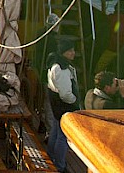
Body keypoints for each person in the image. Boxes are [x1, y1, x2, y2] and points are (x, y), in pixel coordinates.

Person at [46, 37, 80, 172]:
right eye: (70, 51)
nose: (73, 53)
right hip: (64, 105)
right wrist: (75, 102)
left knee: (55, 129)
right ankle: (59, 165)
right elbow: (65, 94)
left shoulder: (54, 63)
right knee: (63, 136)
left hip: (55, 103)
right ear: (63, 52)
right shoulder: (62, 69)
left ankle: (50, 155)